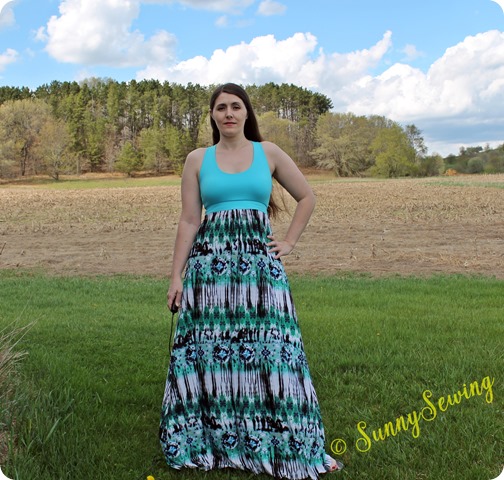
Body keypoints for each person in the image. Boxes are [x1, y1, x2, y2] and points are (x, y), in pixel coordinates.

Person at [160, 83, 343, 479]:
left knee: (273, 351)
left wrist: (289, 241)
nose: (228, 113)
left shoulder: (268, 153)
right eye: (221, 107)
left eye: (236, 106)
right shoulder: (197, 159)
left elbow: (307, 197)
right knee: (211, 353)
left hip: (261, 271)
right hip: (210, 274)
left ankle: (280, 439)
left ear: (246, 113)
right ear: (212, 115)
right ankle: (215, 440)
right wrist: (176, 275)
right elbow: (189, 220)